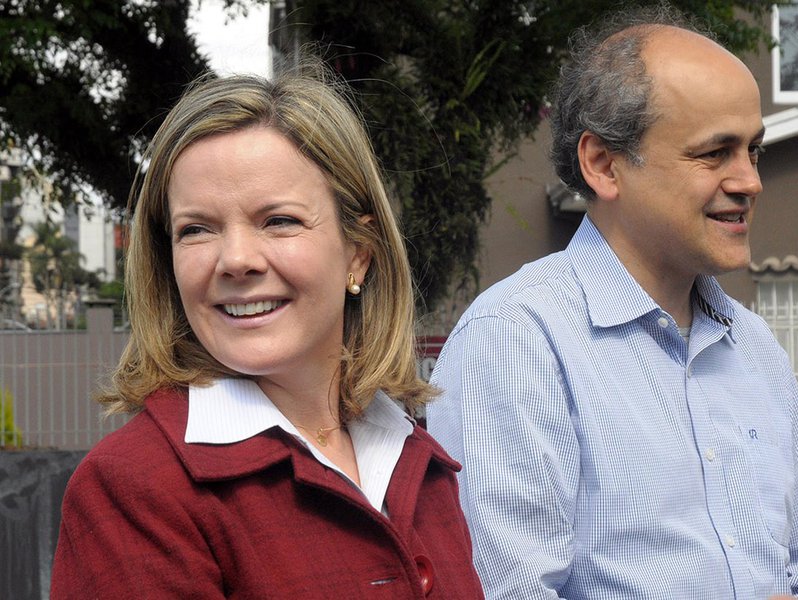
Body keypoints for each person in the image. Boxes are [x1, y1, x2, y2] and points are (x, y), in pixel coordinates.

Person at [427, 6, 798, 599]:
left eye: (753, 150)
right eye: (714, 153)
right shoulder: (518, 340)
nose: (749, 180)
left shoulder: (754, 348)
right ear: (603, 164)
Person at [51, 67, 484, 599]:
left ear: (359, 254)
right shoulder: (134, 487)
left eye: (277, 220)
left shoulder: (421, 462)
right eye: (196, 230)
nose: (235, 260)